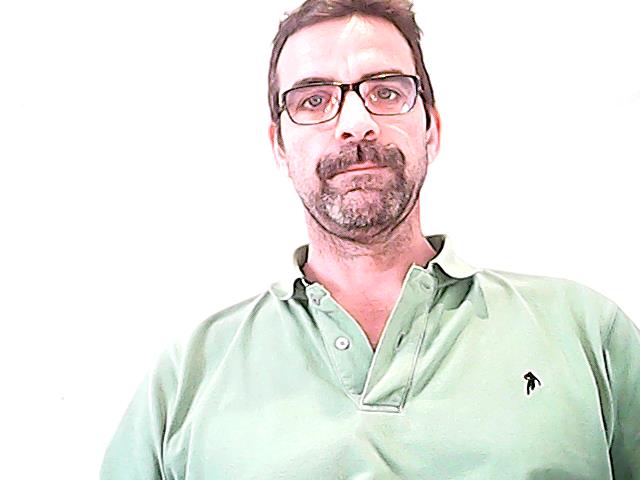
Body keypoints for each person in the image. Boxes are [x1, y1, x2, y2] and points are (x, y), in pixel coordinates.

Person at [100, 1, 640, 478]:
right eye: (313, 100)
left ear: (431, 129)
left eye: (385, 92)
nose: (356, 123)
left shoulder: (587, 332)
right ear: (280, 146)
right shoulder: (187, 377)